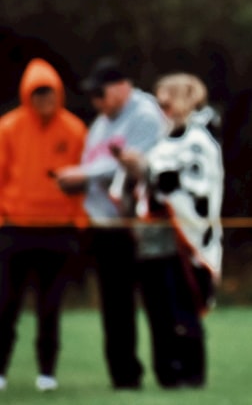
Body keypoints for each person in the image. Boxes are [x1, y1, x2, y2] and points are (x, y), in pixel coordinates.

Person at [54, 56, 168, 390]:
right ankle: (124, 377)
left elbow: (134, 163)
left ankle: (170, 374)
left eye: (100, 93)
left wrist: (82, 175)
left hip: (138, 226)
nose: (96, 102)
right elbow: (97, 162)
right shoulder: (103, 121)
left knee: (156, 301)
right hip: (105, 227)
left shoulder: (145, 115)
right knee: (115, 305)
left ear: (121, 88)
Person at [114, 72, 223, 388]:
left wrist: (152, 174)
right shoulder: (157, 141)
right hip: (151, 240)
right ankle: (166, 373)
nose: (163, 106)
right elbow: (142, 185)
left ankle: (191, 373)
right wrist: (134, 169)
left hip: (184, 241)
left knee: (183, 308)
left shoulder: (200, 141)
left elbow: (196, 188)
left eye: (169, 98)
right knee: (157, 310)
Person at [0, 58, 87, 393]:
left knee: (50, 306)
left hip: (58, 232)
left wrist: (78, 221)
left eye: (49, 94)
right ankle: (2, 371)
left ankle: (47, 373)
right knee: (6, 304)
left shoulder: (75, 129)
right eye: (37, 94)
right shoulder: (8, 128)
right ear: (27, 96)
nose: (43, 101)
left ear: (58, 94)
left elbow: (83, 181)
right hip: (16, 229)